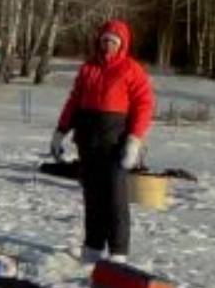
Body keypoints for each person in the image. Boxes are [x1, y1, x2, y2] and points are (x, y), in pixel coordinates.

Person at [50, 19, 156, 263]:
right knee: (93, 198)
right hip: (88, 142)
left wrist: (134, 140)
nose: (108, 45)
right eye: (105, 40)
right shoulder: (88, 69)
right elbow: (74, 101)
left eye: (113, 41)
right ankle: (93, 248)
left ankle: (118, 253)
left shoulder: (131, 70)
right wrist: (60, 131)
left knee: (115, 200)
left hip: (115, 143)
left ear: (122, 45)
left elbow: (144, 105)